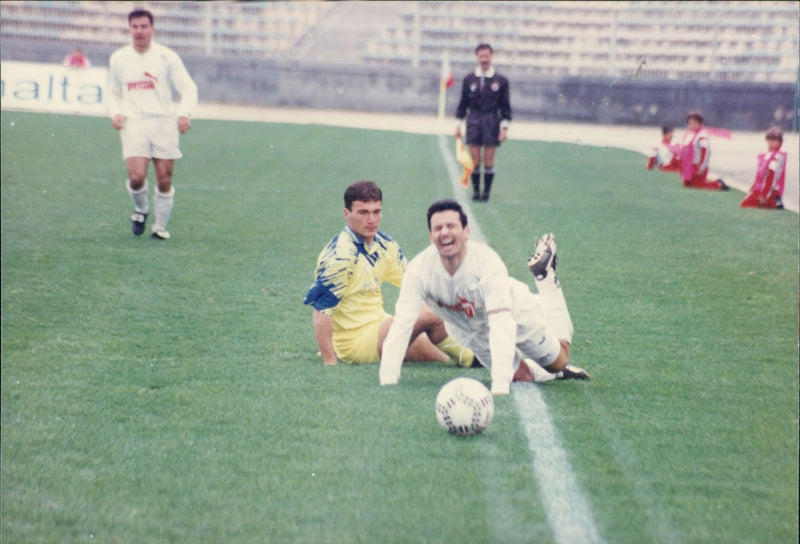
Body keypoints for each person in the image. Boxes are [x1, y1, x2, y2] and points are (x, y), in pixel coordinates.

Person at [379, 199, 589, 396]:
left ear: (466, 231)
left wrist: (499, 386)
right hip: (469, 330)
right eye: (438, 228)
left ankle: (546, 278)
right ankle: (541, 371)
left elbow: (501, 323)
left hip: (513, 313)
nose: (444, 233)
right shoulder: (418, 270)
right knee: (521, 378)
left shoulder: (487, 263)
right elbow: (403, 323)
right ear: (430, 237)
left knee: (559, 361)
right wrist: (388, 378)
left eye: (451, 226)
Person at [304, 181, 479, 367]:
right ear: (347, 214)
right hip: (356, 342)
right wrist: (329, 359)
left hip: (381, 326)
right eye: (363, 212)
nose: (371, 219)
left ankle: (476, 357)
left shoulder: (385, 245)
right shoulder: (340, 256)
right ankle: (474, 359)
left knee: (441, 357)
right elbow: (321, 310)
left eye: (376, 212)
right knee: (429, 312)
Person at [107, 9, 198, 240]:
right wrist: (116, 112)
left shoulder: (166, 56)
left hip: (163, 123)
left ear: (152, 29)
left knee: (164, 178)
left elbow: (188, 87)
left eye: (144, 26)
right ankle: (141, 209)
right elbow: (112, 91)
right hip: (134, 122)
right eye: (135, 27)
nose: (139, 31)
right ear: (129, 29)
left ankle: (159, 227)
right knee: (136, 177)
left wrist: (184, 114)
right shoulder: (119, 58)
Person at [454, 43, 512, 203]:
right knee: (474, 160)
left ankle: (486, 193)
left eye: (487, 56)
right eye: (481, 56)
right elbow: (463, 103)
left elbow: (505, 106)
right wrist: (458, 124)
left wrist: (504, 128)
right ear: (477, 57)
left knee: (488, 160)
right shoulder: (469, 79)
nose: (484, 59)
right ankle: (476, 192)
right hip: (473, 120)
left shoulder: (501, 80)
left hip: (492, 121)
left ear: (491, 56)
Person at [679, 111, 729, 191]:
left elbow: (706, 152)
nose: (692, 125)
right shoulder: (688, 134)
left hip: (698, 166)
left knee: (697, 186)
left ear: (700, 123)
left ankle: (718, 184)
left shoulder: (702, 136)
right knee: (687, 185)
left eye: (694, 123)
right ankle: (711, 181)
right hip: (688, 167)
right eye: (690, 123)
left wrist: (701, 168)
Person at [740, 127, 787, 210]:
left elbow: (772, 176)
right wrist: (753, 189)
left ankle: (775, 201)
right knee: (745, 203)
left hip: (771, 189)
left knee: (752, 204)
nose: (770, 142)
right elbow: (759, 175)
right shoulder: (765, 155)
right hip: (760, 188)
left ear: (779, 142)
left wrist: (764, 195)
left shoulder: (778, 156)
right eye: (769, 140)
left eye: (774, 140)